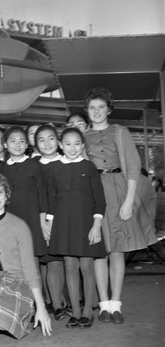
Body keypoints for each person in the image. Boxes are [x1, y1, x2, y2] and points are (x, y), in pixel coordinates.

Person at [83, 88, 157, 324]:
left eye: (101, 107)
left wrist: (128, 201)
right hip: (94, 194)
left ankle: (116, 304)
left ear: (109, 109)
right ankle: (103, 304)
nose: (96, 111)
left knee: (118, 250)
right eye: (92, 107)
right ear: (86, 111)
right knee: (99, 251)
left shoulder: (120, 132)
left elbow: (134, 166)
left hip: (119, 191)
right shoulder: (82, 135)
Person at [0, 173, 52, 339]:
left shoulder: (20, 226)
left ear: (6, 195)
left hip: (17, 282)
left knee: (1, 310)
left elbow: (30, 269)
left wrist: (41, 307)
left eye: (0, 192)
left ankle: (4, 318)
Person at [47, 128, 107, 329]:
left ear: (82, 146)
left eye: (76, 144)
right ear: (61, 145)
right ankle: (76, 311)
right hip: (63, 225)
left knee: (86, 267)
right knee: (70, 267)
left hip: (86, 224)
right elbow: (52, 199)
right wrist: (49, 224)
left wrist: (96, 225)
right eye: (68, 143)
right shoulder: (54, 168)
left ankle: (88, 311)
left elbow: (99, 199)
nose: (72, 148)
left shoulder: (89, 167)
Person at [34, 124, 67, 321]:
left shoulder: (67, 162)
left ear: (58, 141)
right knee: (48, 261)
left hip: (65, 218)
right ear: (36, 144)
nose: (47, 143)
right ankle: (53, 304)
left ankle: (60, 300)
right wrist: (44, 220)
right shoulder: (34, 165)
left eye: (51, 138)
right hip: (42, 218)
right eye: (41, 140)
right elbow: (37, 195)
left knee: (62, 263)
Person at [0, 126, 49, 259]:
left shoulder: (34, 165)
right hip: (9, 220)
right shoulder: (2, 169)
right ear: (5, 144)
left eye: (21, 141)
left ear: (27, 145)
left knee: (31, 260)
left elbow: (42, 194)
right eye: (13, 141)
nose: (17, 145)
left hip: (31, 220)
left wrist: (42, 222)